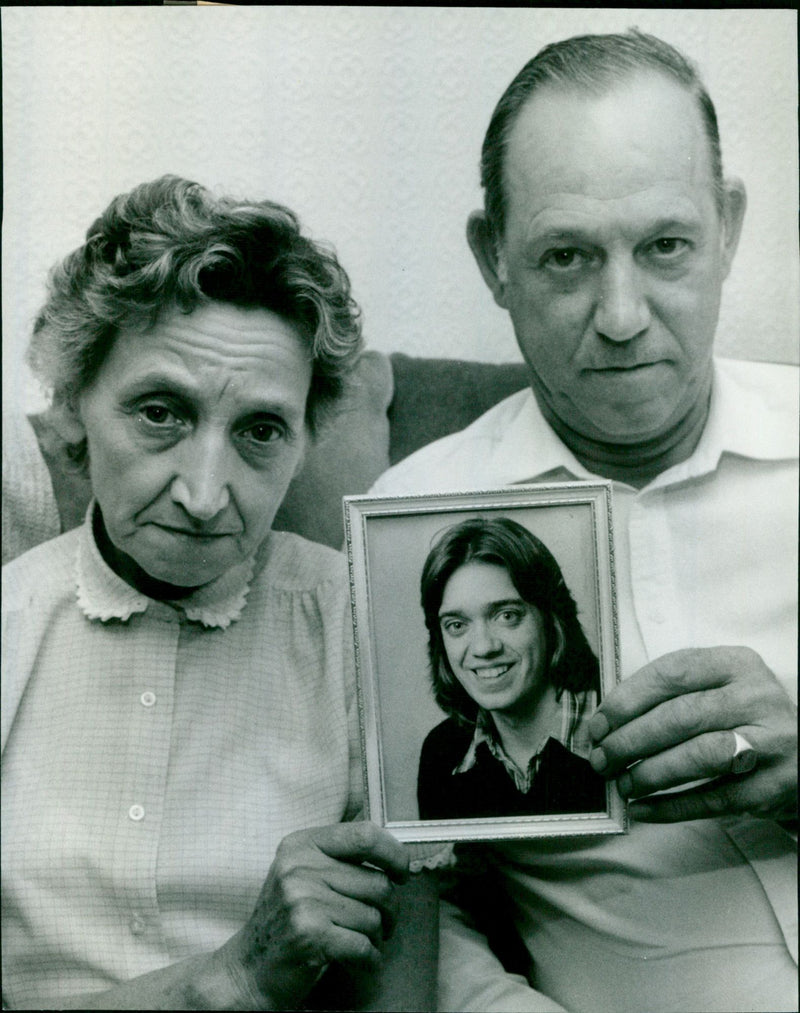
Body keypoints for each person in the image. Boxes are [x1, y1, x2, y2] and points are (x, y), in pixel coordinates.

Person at [371, 29, 798, 1013]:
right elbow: (411, 881)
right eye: (565, 255)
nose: (619, 314)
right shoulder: (408, 529)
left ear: (726, 227)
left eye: (664, 246)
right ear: (491, 257)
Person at [1, 175, 436, 1011]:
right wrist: (231, 977)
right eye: (161, 411)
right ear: (72, 407)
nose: (206, 494)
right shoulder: (11, 629)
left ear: (308, 436)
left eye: (260, 431)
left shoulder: (368, 629)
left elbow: (403, 976)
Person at [416, 517, 605, 820]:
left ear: (552, 620)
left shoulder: (616, 727)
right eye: (456, 625)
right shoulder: (443, 752)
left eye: (507, 615)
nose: (483, 647)